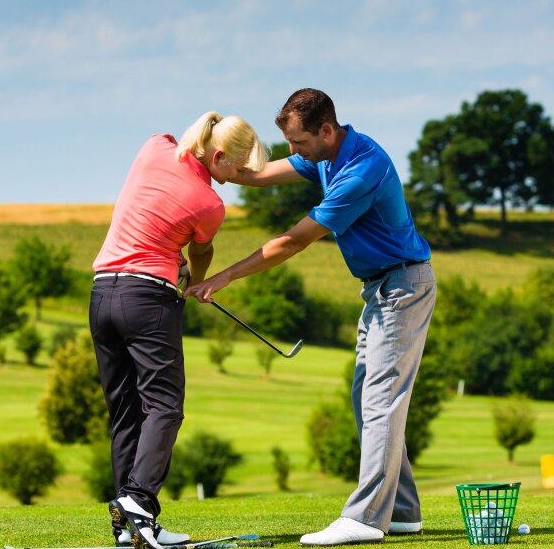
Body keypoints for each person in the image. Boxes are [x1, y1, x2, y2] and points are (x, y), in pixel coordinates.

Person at [186, 89, 436, 546]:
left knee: (382, 399)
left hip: (403, 287)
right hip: (381, 289)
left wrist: (221, 278)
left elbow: (293, 241)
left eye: (298, 143)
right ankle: (401, 512)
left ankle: (365, 517)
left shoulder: (362, 169)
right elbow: (260, 175)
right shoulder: (323, 154)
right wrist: (209, 168)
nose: (293, 153)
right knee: (368, 399)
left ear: (325, 130)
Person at [91, 111, 267, 549]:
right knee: (165, 407)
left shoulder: (154, 147)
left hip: (101, 294)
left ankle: (131, 528)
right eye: (239, 168)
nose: (240, 177)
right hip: (148, 300)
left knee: (127, 412)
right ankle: (138, 500)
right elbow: (199, 254)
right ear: (220, 155)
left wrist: (175, 258)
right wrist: (194, 280)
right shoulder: (210, 205)